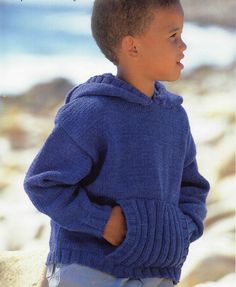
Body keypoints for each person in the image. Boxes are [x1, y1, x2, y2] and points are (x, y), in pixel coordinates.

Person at [24, 0, 210, 286]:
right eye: (173, 36)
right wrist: (101, 221)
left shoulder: (174, 117)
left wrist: (181, 230)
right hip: (88, 269)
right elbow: (43, 183)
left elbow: (193, 188)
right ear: (132, 46)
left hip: (158, 271)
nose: (183, 45)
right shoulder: (91, 113)